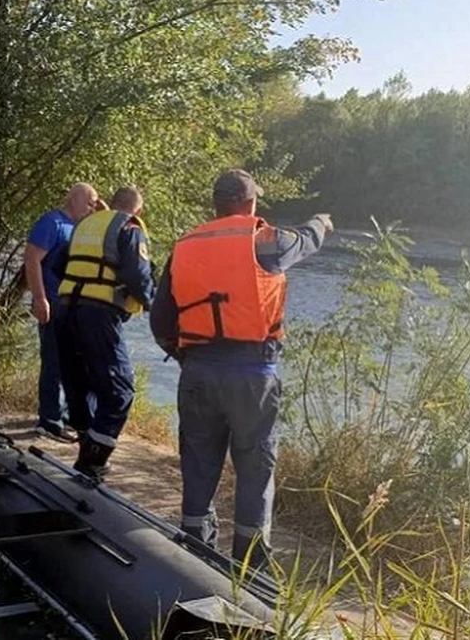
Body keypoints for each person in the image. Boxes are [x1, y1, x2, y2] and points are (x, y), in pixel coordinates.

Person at [149, 168, 333, 570]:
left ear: (216, 204)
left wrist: (188, 358)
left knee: (198, 464)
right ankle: (251, 569)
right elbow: (305, 240)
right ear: (251, 204)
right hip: (252, 374)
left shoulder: (184, 247)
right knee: (255, 467)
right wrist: (321, 221)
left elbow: (160, 321)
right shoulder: (265, 240)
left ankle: (194, 557)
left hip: (197, 371)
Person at [57, 185, 156, 476]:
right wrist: (153, 303)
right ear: (137, 210)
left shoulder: (86, 225)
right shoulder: (129, 227)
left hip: (65, 309)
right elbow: (136, 275)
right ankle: (93, 461)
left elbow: (58, 263)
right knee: (118, 391)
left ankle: (87, 444)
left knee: (79, 383)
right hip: (97, 314)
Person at [23, 182, 102, 442]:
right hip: (54, 302)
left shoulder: (83, 227)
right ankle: (49, 420)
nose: (92, 207)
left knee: (78, 363)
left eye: (95, 203)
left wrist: (103, 210)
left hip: (74, 306)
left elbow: (113, 227)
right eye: (90, 201)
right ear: (74, 199)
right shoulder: (52, 223)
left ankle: (69, 416)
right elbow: (32, 258)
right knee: (54, 362)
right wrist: (39, 298)